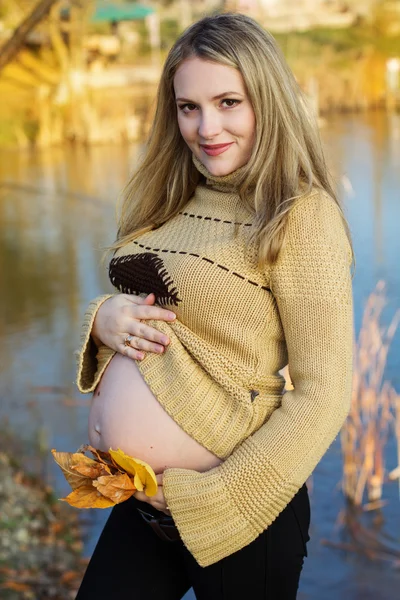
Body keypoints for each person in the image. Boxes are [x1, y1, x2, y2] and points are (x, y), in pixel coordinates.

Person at [74, 12, 354, 600]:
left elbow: (324, 394)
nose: (206, 127)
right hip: (141, 502)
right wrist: (101, 320)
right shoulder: (171, 196)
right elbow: (158, 307)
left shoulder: (300, 215)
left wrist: (215, 500)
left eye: (229, 102)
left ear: (267, 101)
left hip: (240, 512)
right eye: (188, 107)